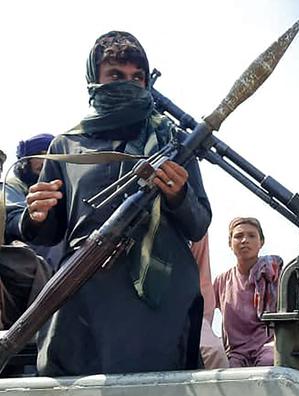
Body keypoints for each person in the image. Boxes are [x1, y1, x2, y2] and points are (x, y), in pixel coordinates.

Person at [5, 31, 211, 376]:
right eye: (116, 75)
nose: (128, 84)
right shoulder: (66, 145)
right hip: (83, 293)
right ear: (94, 80)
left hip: (161, 304)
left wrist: (178, 195)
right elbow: (49, 231)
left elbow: (199, 222)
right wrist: (35, 215)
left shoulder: (172, 141)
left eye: (137, 77)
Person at [213, 217, 283, 367]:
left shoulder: (274, 273)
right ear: (230, 243)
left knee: (268, 363)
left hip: (269, 343)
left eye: (251, 236)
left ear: (261, 242)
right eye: (238, 236)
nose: (245, 240)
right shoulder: (222, 281)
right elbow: (204, 312)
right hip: (237, 351)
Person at [5, 133, 64, 270]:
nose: (45, 161)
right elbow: (13, 219)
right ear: (26, 161)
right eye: (40, 154)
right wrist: (33, 220)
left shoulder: (62, 190)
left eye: (50, 155)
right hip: (25, 264)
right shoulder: (12, 186)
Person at [190, 235, 229, 369]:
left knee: (213, 352)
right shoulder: (226, 280)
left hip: (185, 308)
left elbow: (203, 278)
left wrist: (202, 321)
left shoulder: (194, 221)